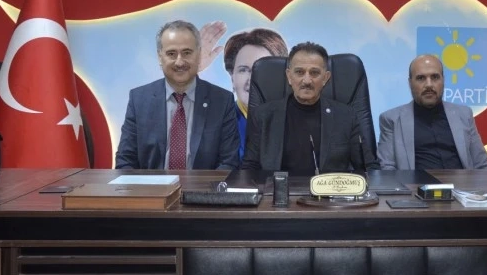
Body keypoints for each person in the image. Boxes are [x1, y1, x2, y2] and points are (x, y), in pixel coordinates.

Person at [115, 20, 240, 170]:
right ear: (160, 57)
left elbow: (228, 163)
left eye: (187, 53)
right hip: (151, 186)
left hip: (204, 186)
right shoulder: (139, 99)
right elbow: (125, 161)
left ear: (199, 54)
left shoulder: (222, 101)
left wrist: (207, 186)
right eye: (171, 54)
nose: (179, 62)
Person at [241, 42, 379, 174]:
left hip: (330, 190)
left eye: (314, 73)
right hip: (278, 189)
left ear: (326, 78)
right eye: (299, 72)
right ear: (289, 76)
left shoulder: (347, 116)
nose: (307, 81)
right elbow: (249, 168)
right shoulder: (263, 116)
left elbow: (368, 167)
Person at [377, 54, 487, 170]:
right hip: (415, 182)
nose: (429, 85)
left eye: (435, 77)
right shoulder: (391, 119)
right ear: (410, 83)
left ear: (443, 80)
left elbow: (482, 165)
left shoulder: (464, 114)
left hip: (462, 181)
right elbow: (387, 169)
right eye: (421, 78)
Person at [223, 28, 288, 159]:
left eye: (263, 70)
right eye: (243, 70)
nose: (252, 79)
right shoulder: (218, 124)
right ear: (232, 78)